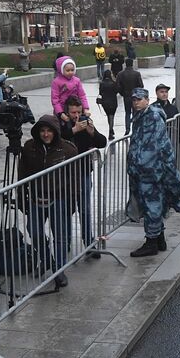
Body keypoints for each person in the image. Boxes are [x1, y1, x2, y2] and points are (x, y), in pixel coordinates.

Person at [18, 115, 80, 289]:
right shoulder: (29, 147)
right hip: (37, 197)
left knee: (60, 236)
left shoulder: (68, 149)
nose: (46, 134)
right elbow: (22, 174)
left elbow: (75, 178)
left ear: (55, 132)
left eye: (49, 131)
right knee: (34, 231)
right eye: (42, 131)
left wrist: (72, 201)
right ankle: (47, 260)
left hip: (60, 198)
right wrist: (22, 197)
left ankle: (59, 270)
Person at [126, 88, 180, 258]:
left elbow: (152, 146)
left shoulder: (152, 116)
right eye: (134, 100)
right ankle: (159, 238)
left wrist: (140, 165)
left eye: (139, 99)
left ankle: (151, 242)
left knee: (152, 205)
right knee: (153, 205)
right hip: (146, 169)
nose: (136, 102)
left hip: (150, 170)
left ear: (147, 100)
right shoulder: (141, 115)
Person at [59, 97, 108, 252]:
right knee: (66, 211)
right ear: (67, 112)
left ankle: (89, 242)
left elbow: (102, 142)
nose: (77, 116)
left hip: (83, 173)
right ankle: (64, 243)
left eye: (79, 112)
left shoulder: (86, 122)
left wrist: (92, 132)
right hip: (65, 176)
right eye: (73, 112)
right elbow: (57, 140)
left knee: (85, 209)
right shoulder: (62, 124)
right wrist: (73, 130)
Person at [98, 68, 121, 139]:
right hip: (113, 101)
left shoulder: (102, 83)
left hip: (105, 102)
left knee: (108, 115)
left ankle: (111, 128)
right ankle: (110, 130)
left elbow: (100, 93)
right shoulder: (113, 83)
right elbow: (117, 91)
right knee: (112, 116)